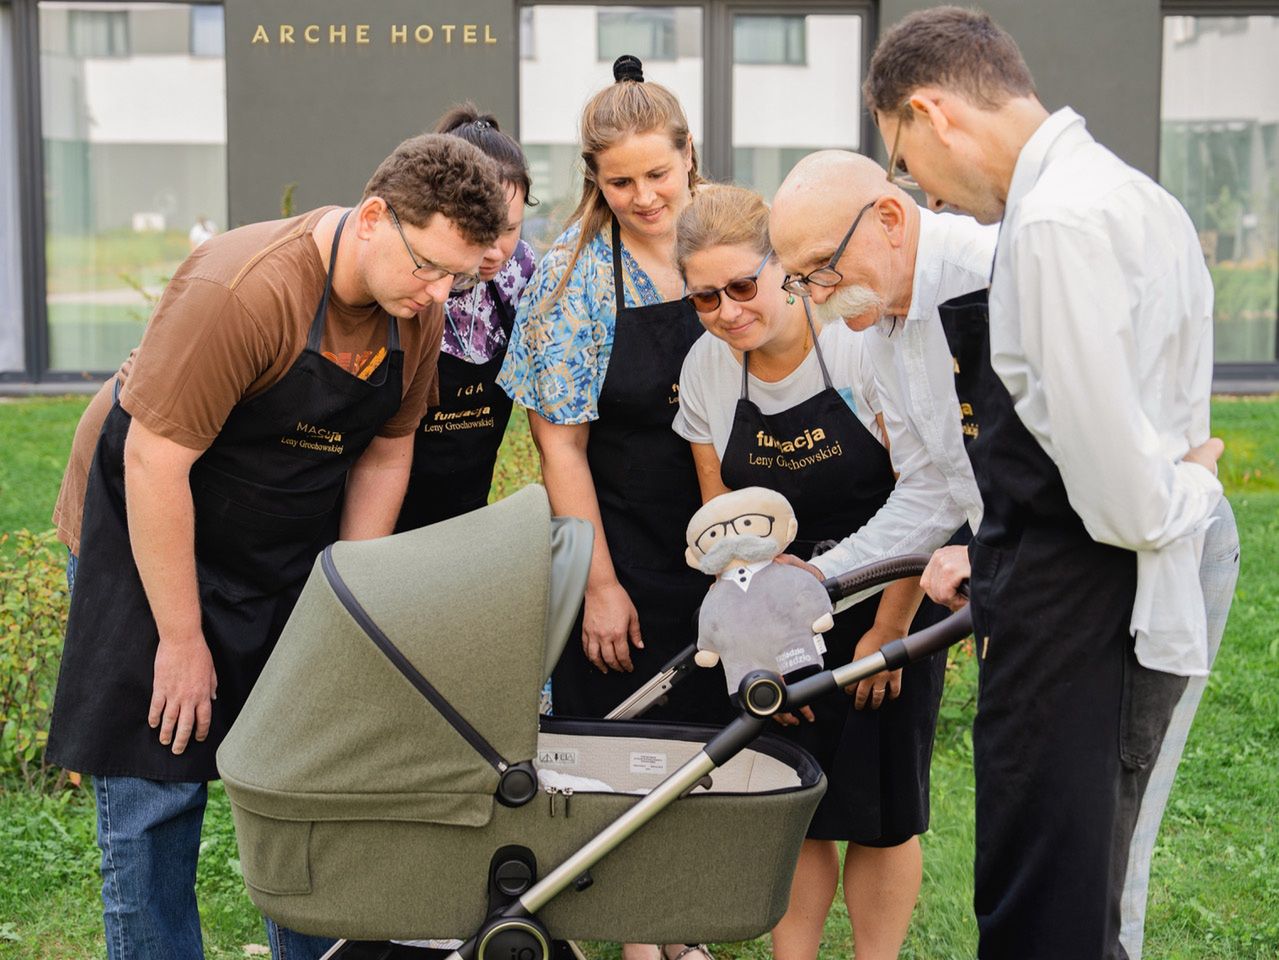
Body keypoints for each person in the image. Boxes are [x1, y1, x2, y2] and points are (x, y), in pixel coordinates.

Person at [45, 133, 508, 960]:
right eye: (430, 267)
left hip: (276, 540)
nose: (440, 293)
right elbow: (156, 460)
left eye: (460, 277)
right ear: (372, 218)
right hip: (148, 528)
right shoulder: (244, 290)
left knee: (307, 777)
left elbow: (388, 449)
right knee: (159, 785)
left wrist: (343, 606)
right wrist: (182, 641)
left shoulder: (418, 308)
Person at [864, 8, 1229, 958]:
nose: (920, 190)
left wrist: (1193, 488)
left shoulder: (1058, 220)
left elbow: (1121, 493)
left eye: (905, 161)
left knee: (1046, 900)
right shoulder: (1127, 192)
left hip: (1083, 592)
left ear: (930, 113)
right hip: (1074, 585)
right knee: (1077, 884)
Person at [674, 183, 958, 960]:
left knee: (881, 809)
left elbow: (923, 496)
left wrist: (888, 630)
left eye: (742, 285)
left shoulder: (856, 345)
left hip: (885, 599)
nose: (727, 310)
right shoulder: (705, 370)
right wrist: (756, 649)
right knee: (789, 802)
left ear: (783, 269)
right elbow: (722, 529)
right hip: (772, 618)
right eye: (704, 297)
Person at [497, 53, 723, 960]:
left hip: (718, 540)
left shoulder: (732, 245)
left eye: (657, 175)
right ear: (593, 178)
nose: (642, 196)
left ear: (688, 157)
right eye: (619, 180)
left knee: (707, 751)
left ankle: (685, 924)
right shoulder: (572, 278)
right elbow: (560, 445)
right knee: (619, 753)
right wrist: (597, 584)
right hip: (617, 542)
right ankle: (632, 935)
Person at [395, 104, 538, 530]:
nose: (495, 251)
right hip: (385, 514)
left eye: (510, 229)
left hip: (471, 513)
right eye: (482, 228)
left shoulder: (522, 274)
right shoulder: (408, 278)